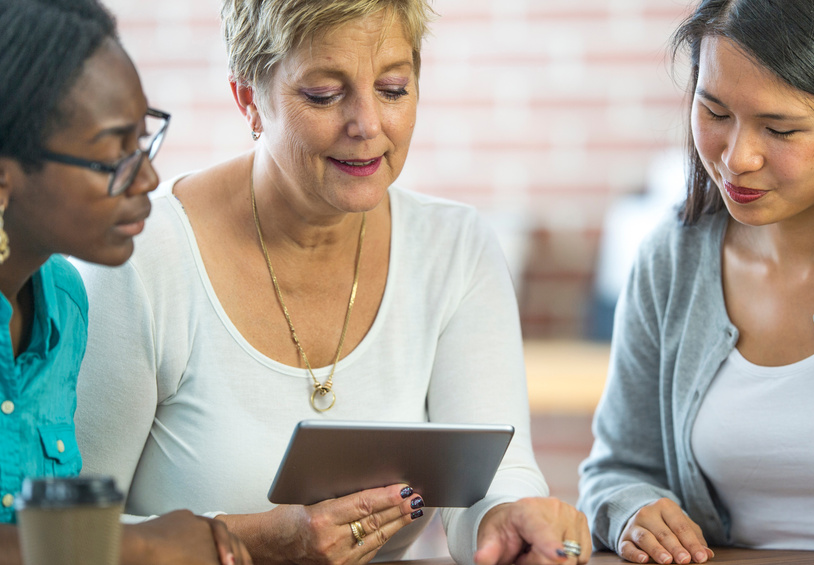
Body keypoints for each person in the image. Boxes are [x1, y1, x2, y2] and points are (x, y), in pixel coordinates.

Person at [69, 0, 592, 564]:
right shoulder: (142, 255)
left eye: (393, 88)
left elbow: (490, 482)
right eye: (323, 94)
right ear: (249, 98)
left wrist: (506, 519)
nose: (367, 125)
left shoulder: (456, 248)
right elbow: (66, 533)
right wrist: (261, 544)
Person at [577, 0, 814, 563]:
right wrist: (632, 510)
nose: (737, 158)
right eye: (716, 112)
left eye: (780, 128)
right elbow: (618, 467)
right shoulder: (672, 260)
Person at [0, 1, 253, 564]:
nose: (148, 176)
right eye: (114, 153)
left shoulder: (62, 301)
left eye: (142, 141)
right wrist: (138, 546)